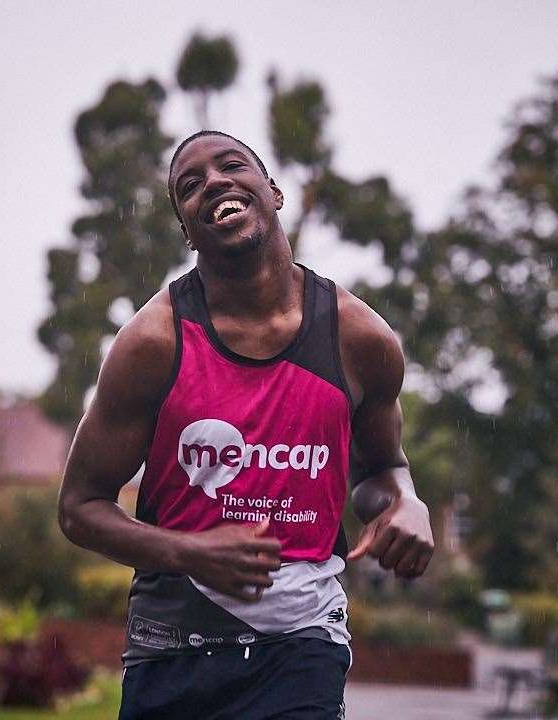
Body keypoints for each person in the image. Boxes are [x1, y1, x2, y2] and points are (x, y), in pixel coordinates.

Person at [57, 130, 435, 719]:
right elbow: (80, 508)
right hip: (172, 651)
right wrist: (189, 552)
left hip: (302, 646)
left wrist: (406, 503)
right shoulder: (152, 343)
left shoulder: (361, 340)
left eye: (231, 166)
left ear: (274, 192)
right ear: (186, 229)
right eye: (190, 185)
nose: (214, 182)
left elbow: (381, 470)